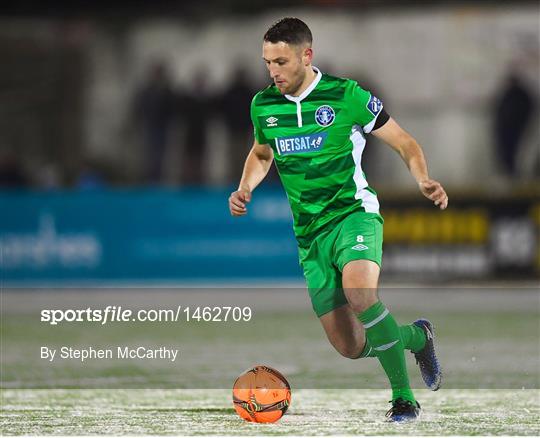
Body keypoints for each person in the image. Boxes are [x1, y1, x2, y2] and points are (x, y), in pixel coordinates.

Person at [228, 18, 447, 422]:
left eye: (281, 61)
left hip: (354, 216)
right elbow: (262, 153)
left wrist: (422, 178)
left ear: (306, 55)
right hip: (310, 237)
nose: (273, 71)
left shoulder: (346, 95)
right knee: (349, 345)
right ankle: (417, 336)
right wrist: (246, 187)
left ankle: (404, 399)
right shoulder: (264, 105)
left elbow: (404, 141)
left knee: (361, 295)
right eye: (267, 62)